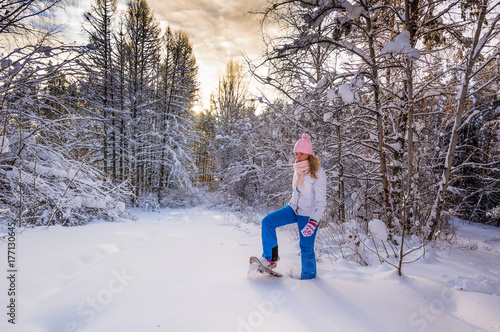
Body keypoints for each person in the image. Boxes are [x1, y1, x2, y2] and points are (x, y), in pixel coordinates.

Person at [260, 134, 327, 280]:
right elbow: (296, 194)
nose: (298, 156)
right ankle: (270, 259)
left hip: (308, 215)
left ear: (309, 154)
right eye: (296, 153)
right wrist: (290, 207)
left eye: (301, 153)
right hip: (293, 209)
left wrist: (313, 221)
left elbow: (321, 202)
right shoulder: (297, 170)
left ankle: (308, 280)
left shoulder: (318, 173)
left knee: (306, 249)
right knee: (268, 222)